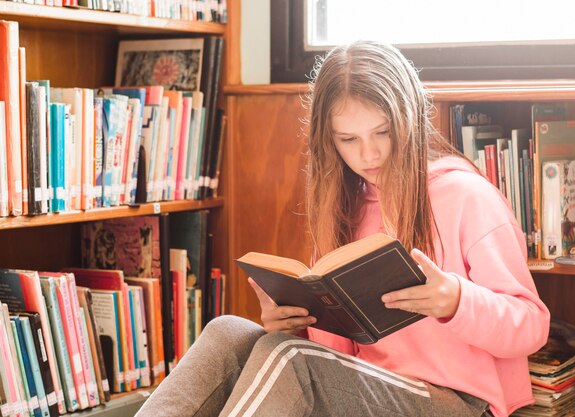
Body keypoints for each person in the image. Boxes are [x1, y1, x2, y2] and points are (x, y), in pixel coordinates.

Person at [136, 41, 550, 417]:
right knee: (227, 332)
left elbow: (531, 325)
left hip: (457, 401)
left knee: (292, 360)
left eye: (382, 133)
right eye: (348, 139)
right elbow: (332, 352)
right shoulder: (347, 206)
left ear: (408, 120)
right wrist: (295, 322)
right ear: (328, 141)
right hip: (366, 386)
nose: (368, 154)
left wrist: (456, 301)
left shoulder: (466, 195)